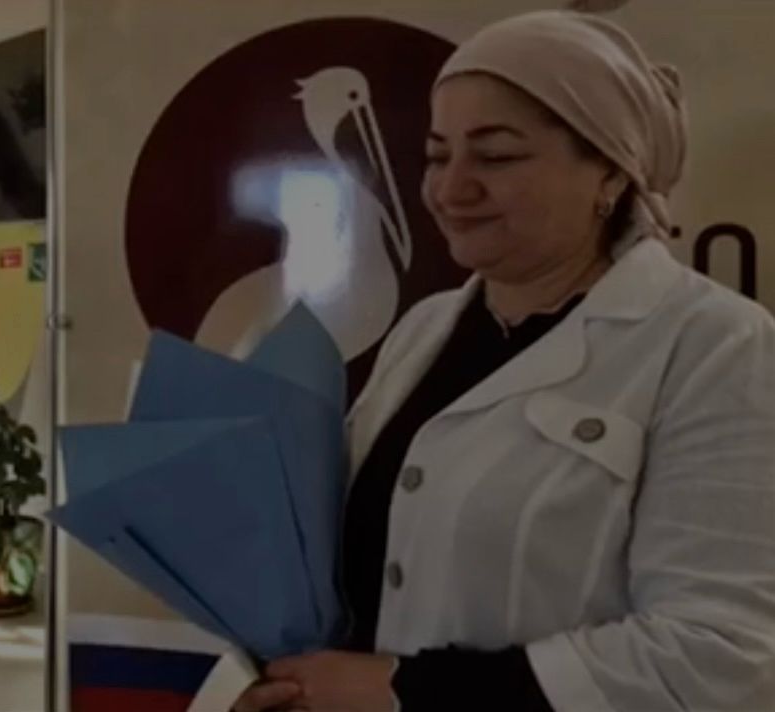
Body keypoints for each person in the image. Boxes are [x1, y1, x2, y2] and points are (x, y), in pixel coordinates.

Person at [235, 10, 775, 712]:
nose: (451, 189)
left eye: (495, 157)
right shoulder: (424, 331)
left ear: (610, 172)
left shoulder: (715, 345)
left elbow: (721, 656)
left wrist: (400, 692)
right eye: (438, 156)